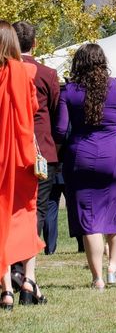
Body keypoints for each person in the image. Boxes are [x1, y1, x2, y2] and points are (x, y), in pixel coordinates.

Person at [54, 43, 116, 290]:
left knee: (89, 218)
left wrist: (59, 156)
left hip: (80, 155)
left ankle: (98, 278)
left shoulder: (70, 90)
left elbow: (60, 130)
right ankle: (114, 267)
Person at [0, 21, 45, 310]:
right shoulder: (25, 71)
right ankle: (28, 281)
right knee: (26, 217)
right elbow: (34, 109)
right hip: (23, 157)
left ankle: (6, 290)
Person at [11, 22, 59, 237]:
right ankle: (26, 259)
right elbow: (56, 111)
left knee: (12, 205)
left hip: (12, 148)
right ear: (35, 43)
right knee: (38, 206)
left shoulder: (6, 72)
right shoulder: (47, 74)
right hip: (42, 149)